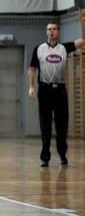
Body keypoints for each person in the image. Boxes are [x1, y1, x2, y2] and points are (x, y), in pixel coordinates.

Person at [28, 12, 85, 168]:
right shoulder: (38, 49)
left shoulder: (64, 48)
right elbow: (32, 69)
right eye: (49, 29)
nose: (51, 31)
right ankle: (45, 157)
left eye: (54, 28)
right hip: (44, 90)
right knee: (45, 125)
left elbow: (82, 41)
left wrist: (82, 23)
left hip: (59, 90)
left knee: (62, 125)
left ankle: (62, 155)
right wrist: (31, 87)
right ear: (46, 32)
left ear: (58, 32)